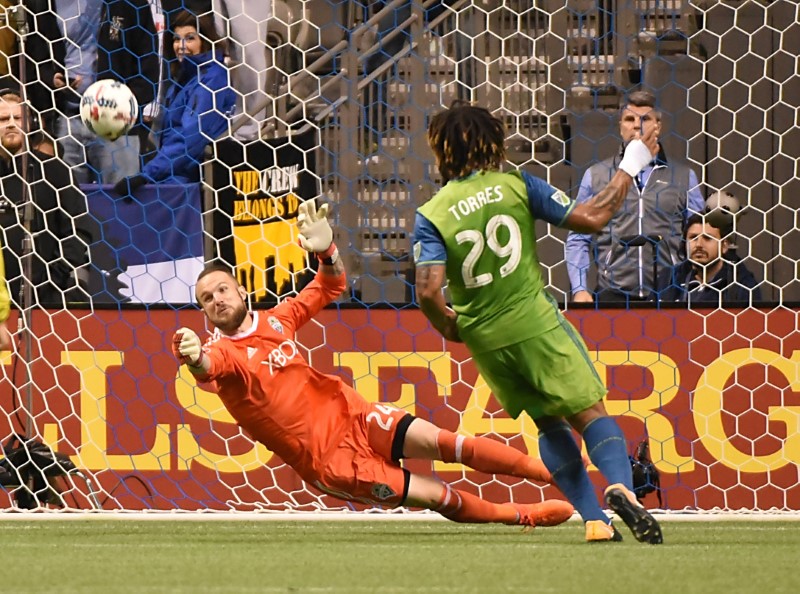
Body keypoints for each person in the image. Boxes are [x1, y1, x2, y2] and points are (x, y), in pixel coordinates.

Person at [172, 200, 575, 529]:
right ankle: (522, 516)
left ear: (240, 289)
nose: (218, 300)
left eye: (222, 289)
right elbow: (209, 367)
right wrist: (194, 357)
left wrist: (326, 251)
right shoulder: (224, 353)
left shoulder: (278, 319)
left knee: (450, 443)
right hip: (334, 463)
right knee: (439, 496)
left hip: (357, 416)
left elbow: (330, 285)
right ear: (204, 312)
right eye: (207, 299)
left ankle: (555, 473)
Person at [413, 101, 663, 544]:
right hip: (534, 321)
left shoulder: (432, 212)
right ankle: (622, 489)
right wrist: (632, 162)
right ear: (492, 141)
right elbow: (592, 217)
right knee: (590, 414)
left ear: (442, 150)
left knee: (548, 423)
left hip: (486, 340)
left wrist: (450, 326)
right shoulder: (515, 184)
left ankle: (594, 520)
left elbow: (428, 291)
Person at [565, 90, 705, 304]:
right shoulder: (596, 176)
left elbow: (699, 235)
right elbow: (578, 237)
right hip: (612, 294)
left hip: (670, 295)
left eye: (645, 119)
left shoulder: (684, 177)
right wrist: (580, 288)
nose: (637, 126)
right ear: (620, 126)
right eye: (630, 119)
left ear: (658, 126)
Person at [114, 10, 235, 195]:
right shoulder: (183, 78)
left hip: (191, 180)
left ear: (205, 40)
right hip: (171, 174)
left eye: (190, 38)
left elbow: (190, 137)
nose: (181, 45)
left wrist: (147, 175)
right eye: (177, 39)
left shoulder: (213, 78)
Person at [48, 0, 159, 185]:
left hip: (117, 121)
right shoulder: (46, 3)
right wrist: (52, 79)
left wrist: (125, 103)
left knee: (123, 195)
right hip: (66, 119)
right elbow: (36, 57)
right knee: (67, 200)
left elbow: (148, 65)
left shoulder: (130, 3)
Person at [0, 91, 90, 305]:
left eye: (18, 118)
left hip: (47, 300)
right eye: (3, 119)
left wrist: (55, 281)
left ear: (29, 123)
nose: (11, 124)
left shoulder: (56, 171)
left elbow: (77, 232)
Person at [656, 213, 761, 305]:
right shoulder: (669, 280)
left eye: (707, 238)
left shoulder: (742, 285)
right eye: (693, 238)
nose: (699, 244)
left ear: (724, 246)